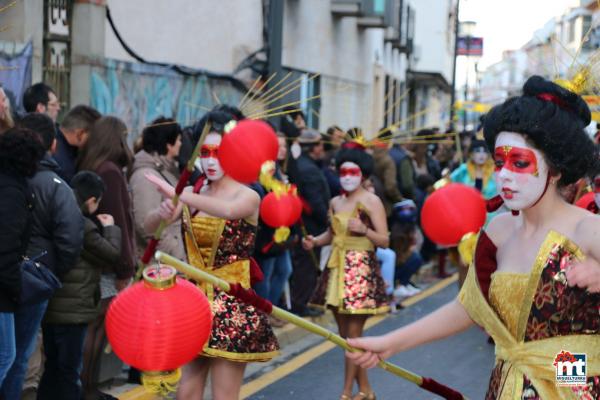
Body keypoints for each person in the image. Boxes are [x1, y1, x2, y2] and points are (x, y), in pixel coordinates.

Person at [347, 76, 600, 399]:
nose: (504, 174)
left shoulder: (588, 231)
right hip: (505, 385)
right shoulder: (498, 231)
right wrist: (389, 343)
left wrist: (566, 370)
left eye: (519, 163)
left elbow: (576, 352)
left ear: (557, 168)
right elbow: (468, 308)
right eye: (499, 162)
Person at [146, 113, 279, 400]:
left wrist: (179, 196)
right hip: (194, 304)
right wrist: (162, 212)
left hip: (232, 305)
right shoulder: (195, 192)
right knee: (186, 393)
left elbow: (228, 212)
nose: (210, 160)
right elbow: (148, 228)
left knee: (223, 396)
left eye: (218, 153)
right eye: (204, 152)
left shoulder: (248, 195)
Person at [1, 114, 84, 400]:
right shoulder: (48, 186)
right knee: (15, 356)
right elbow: (72, 237)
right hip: (21, 283)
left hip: (18, 279)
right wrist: (49, 273)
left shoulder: (20, 183)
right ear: (49, 145)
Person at [305, 146, 389, 400]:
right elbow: (332, 234)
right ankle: (365, 388)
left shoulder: (372, 201)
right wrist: (315, 242)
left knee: (352, 337)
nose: (347, 176)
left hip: (360, 270)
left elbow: (384, 240)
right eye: (343, 171)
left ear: (363, 174)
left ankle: (345, 392)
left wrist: (364, 231)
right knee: (347, 338)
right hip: (336, 268)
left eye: (353, 171)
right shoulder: (335, 201)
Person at [37, 171, 121, 400]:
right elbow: (111, 254)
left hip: (52, 303)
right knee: (69, 370)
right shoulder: (82, 224)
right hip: (73, 310)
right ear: (92, 200)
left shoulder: (53, 213)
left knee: (53, 367)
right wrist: (111, 228)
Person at [77, 116, 135, 398]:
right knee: (97, 327)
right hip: (109, 263)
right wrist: (125, 267)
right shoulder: (110, 171)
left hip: (95, 258)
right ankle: (87, 388)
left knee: (96, 326)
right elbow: (118, 222)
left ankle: (87, 386)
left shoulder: (93, 165)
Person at [0, 128, 45, 388]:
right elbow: (5, 248)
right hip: (3, 292)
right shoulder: (12, 193)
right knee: (6, 355)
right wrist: (17, 290)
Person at [287, 128, 331, 317]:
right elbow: (315, 202)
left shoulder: (305, 165)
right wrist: (328, 219)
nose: (322, 148)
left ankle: (303, 302)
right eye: (320, 144)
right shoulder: (309, 169)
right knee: (306, 266)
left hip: (309, 224)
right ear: (313, 148)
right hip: (310, 226)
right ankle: (300, 304)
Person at [130, 116, 185, 261]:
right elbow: (144, 226)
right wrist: (176, 253)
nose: (181, 144)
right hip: (159, 268)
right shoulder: (146, 176)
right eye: (178, 139)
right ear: (169, 144)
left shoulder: (165, 170)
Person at [55, 105, 102, 183]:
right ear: (80, 134)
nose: (95, 142)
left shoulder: (54, 141)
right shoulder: (63, 163)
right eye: (93, 137)